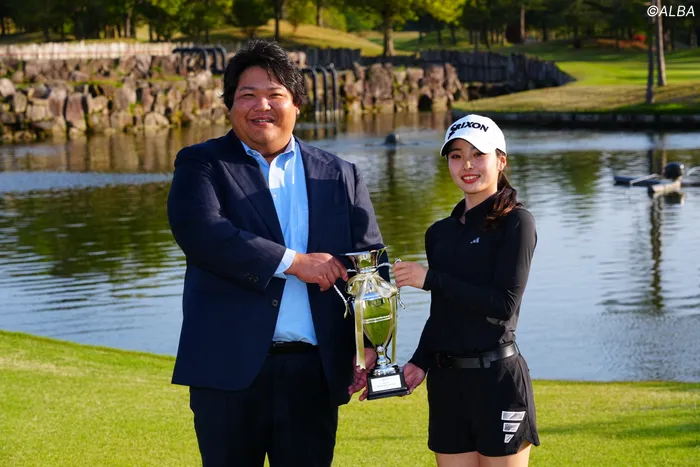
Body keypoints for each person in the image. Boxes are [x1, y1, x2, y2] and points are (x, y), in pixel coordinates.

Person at [166, 39, 382, 467]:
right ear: (229, 105)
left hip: (313, 375)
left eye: (274, 94)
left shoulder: (340, 174)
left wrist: (370, 340)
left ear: (297, 104)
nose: (261, 106)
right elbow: (204, 234)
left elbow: (371, 263)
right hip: (227, 373)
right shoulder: (201, 164)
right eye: (247, 95)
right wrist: (296, 264)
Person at [391, 114, 540, 466]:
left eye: (478, 155)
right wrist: (420, 361)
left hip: (497, 381)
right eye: (456, 156)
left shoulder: (516, 222)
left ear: (501, 161)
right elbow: (443, 311)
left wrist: (431, 279)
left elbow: (503, 304)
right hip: (447, 384)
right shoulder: (438, 233)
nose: (467, 165)